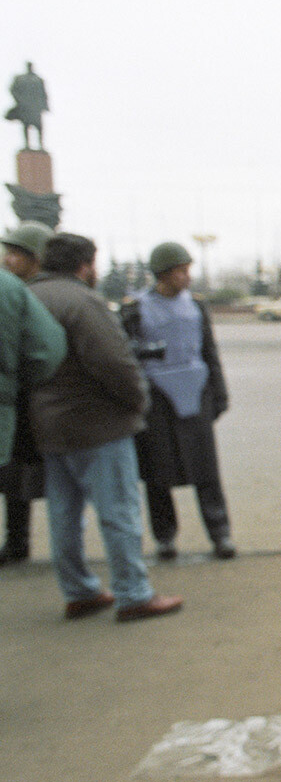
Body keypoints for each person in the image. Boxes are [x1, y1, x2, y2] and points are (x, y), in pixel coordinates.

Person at [27, 232, 182, 622]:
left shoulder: (28, 298)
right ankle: (134, 594)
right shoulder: (82, 301)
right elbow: (114, 363)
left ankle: (79, 591)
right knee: (118, 512)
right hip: (97, 425)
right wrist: (138, 401)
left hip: (47, 424)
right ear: (85, 265)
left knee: (64, 514)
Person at [120, 242, 235, 560]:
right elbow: (125, 355)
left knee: (206, 469)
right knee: (158, 472)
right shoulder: (135, 308)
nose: (187, 277)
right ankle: (165, 537)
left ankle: (220, 533)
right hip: (156, 398)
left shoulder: (196, 306)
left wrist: (220, 392)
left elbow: (210, 352)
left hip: (196, 393)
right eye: (181, 271)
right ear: (163, 275)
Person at [0, 220, 55, 565]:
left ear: (38, 259)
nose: (8, 260)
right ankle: (16, 542)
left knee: (29, 474)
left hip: (34, 399)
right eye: (8, 252)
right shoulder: (12, 291)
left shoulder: (41, 295)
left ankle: (21, 543)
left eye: (17, 254)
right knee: (12, 474)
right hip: (17, 398)